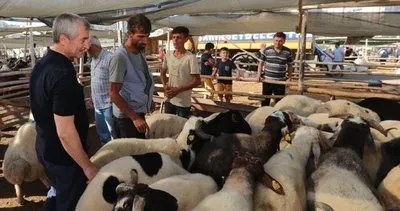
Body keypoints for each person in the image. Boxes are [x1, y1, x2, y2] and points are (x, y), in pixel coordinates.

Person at [29, 13, 99, 211]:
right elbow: (65, 132)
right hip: (65, 158)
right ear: (63, 39)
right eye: (83, 39)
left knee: (58, 196)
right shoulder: (62, 74)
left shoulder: (42, 65)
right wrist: (87, 166)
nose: (87, 45)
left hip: (47, 150)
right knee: (70, 203)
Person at [109, 14, 154, 139]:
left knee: (140, 152)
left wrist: (149, 99)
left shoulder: (139, 51)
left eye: (147, 36)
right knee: (130, 156)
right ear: (130, 34)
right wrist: (134, 117)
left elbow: (140, 79)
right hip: (126, 118)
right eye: (140, 36)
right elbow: (113, 93)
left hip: (138, 113)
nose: (145, 41)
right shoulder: (120, 57)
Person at [160, 26, 201, 118]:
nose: (175, 40)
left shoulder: (190, 58)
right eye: (173, 37)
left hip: (183, 102)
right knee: (168, 126)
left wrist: (178, 89)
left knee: (181, 128)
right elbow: (162, 73)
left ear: (186, 39)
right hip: (169, 99)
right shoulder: (168, 55)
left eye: (179, 37)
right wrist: (165, 86)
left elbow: (197, 81)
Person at [87, 36, 113, 144]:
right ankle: (107, 155)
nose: (86, 50)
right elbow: (94, 80)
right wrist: (91, 98)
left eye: (87, 47)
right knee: (102, 133)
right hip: (97, 104)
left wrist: (113, 98)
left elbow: (117, 80)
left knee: (113, 133)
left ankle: (117, 156)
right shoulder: (93, 60)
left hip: (109, 103)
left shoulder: (109, 58)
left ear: (93, 46)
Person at [257, 32, 293, 107]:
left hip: (280, 82)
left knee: (279, 102)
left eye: (280, 41)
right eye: (276, 40)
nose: (278, 43)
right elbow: (261, 63)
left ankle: (277, 117)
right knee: (265, 100)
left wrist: (290, 77)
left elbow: (290, 65)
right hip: (267, 80)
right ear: (273, 40)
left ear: (284, 41)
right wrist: (258, 75)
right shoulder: (266, 50)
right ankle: (263, 116)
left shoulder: (288, 52)